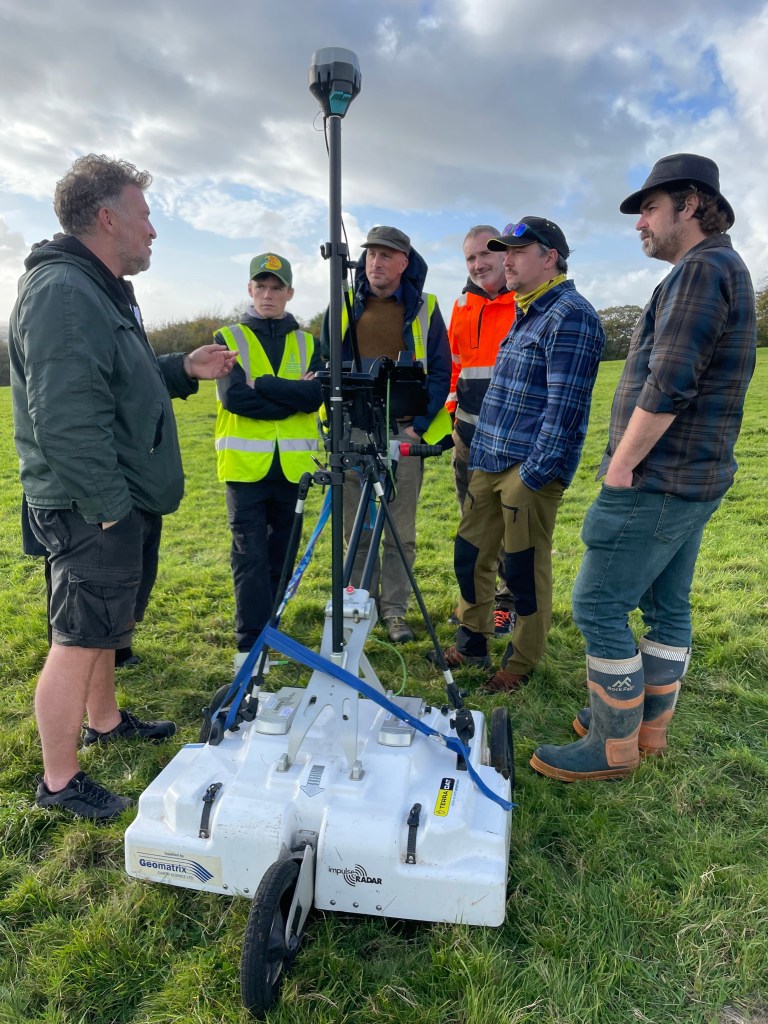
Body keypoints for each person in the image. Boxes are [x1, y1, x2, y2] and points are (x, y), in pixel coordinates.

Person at [8, 154, 237, 820]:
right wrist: (109, 511)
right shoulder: (63, 293)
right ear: (107, 218)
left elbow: (118, 379)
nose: (153, 231)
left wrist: (179, 367)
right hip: (91, 504)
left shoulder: (101, 288)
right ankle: (58, 782)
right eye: (144, 215)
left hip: (116, 497)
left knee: (106, 623)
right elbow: (65, 417)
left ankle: (103, 721)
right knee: (77, 636)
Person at [530, 154, 757, 782]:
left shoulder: (701, 270)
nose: (639, 224)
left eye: (649, 208)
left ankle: (612, 745)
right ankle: (646, 728)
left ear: (690, 204)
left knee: (597, 602)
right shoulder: (723, 268)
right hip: (697, 477)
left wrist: (622, 465)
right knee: (666, 603)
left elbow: (670, 382)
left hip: (656, 477)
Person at [430, 218, 605, 692]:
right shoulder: (529, 310)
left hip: (527, 470)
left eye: (518, 250)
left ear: (550, 257)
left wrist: (533, 476)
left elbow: (564, 410)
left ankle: (520, 663)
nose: (506, 259)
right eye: (503, 251)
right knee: (470, 555)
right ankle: (472, 640)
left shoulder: (571, 314)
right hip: (488, 459)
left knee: (524, 570)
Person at [322, 225, 451, 644]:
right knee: (355, 531)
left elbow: (441, 370)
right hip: (355, 432)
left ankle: (396, 612)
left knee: (400, 532)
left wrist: (421, 424)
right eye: (371, 254)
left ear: (404, 263)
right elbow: (326, 361)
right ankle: (362, 606)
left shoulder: (427, 307)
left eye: (385, 255)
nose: (376, 262)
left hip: (402, 433)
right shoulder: (341, 303)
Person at [214, 253, 323, 670]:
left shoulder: (309, 341)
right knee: (249, 556)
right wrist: (289, 400)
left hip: (293, 470)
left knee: (282, 557)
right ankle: (248, 646)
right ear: (249, 290)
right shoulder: (228, 337)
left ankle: (270, 635)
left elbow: (314, 397)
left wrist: (266, 386)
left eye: (276, 287)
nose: (268, 294)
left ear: (290, 293)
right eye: (260, 286)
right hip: (245, 471)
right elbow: (234, 397)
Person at [446, 225, 517, 636]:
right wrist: (454, 415)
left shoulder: (526, 298)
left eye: (484, 254)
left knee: (512, 530)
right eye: (470, 258)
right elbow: (457, 365)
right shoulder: (461, 305)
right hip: (468, 438)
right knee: (473, 528)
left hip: (513, 440)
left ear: (503, 252)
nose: (477, 264)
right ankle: (476, 608)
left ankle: (508, 605)